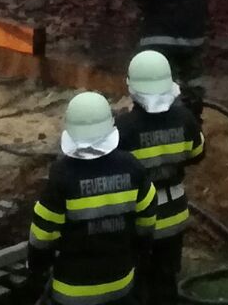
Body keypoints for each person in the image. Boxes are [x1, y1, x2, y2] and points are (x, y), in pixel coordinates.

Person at [22, 92, 156, 305]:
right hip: (120, 285)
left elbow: (42, 235)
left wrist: (36, 271)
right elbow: (146, 222)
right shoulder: (132, 167)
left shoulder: (61, 175)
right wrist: (138, 254)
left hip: (71, 292)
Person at [115, 51, 205, 305]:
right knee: (165, 279)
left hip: (138, 221)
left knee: (137, 280)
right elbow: (197, 154)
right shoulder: (185, 119)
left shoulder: (124, 128)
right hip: (174, 216)